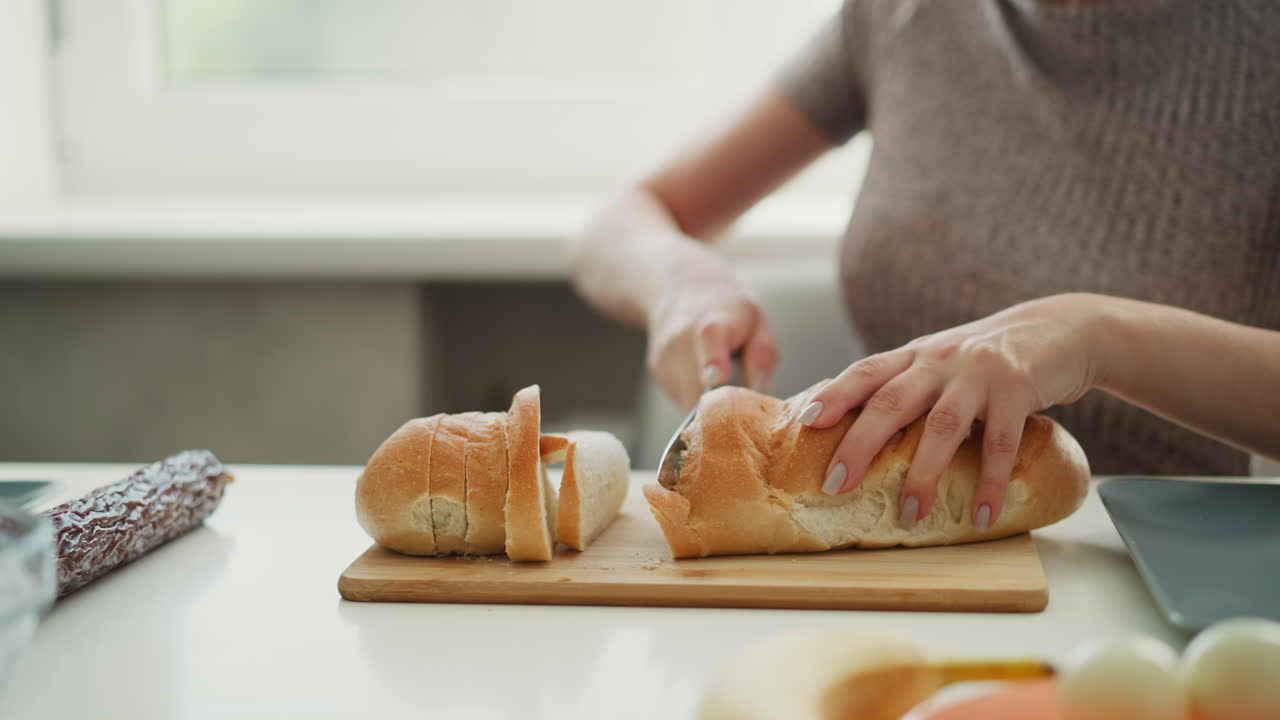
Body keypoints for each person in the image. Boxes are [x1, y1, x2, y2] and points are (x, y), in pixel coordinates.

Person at [568, 0, 1280, 531]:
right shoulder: (904, 14)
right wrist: (677, 280)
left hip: (1158, 580)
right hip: (877, 568)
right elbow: (618, 222)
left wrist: (1097, 333)